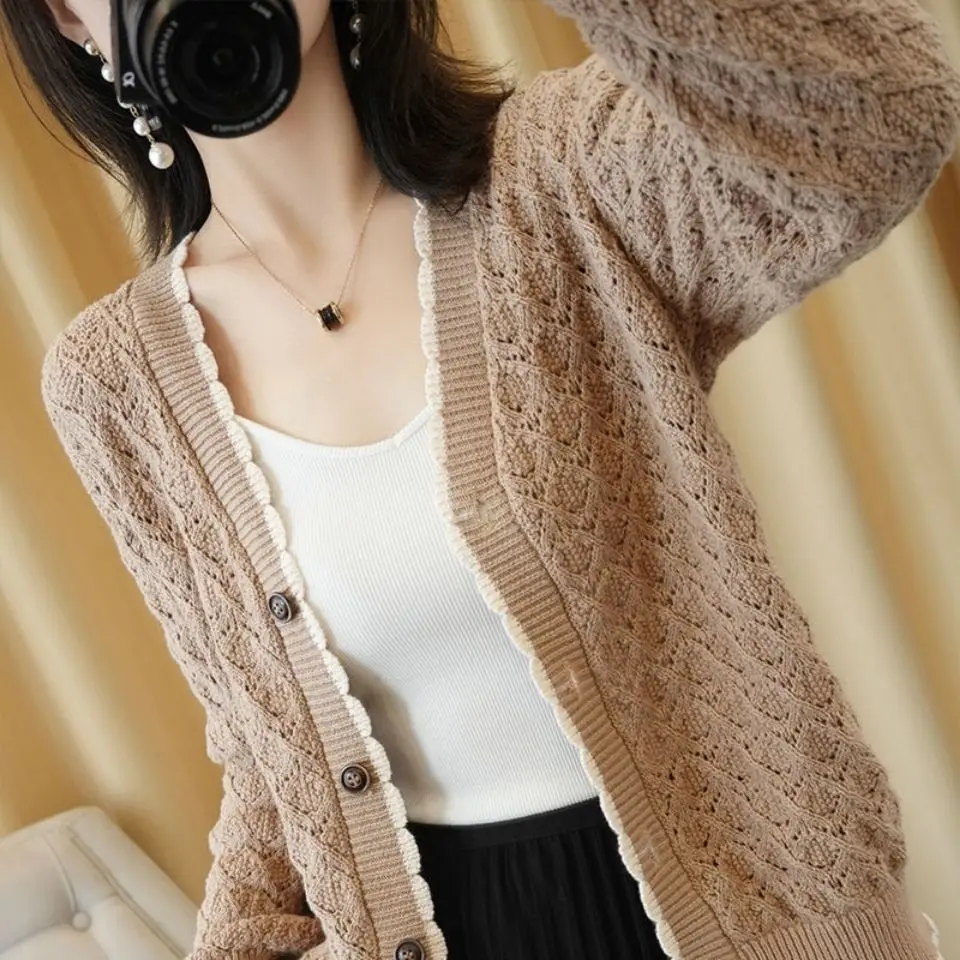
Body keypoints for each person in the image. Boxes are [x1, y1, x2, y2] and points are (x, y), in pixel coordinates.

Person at [4, 0, 959, 956]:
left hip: (763, 913)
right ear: (69, 19)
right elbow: (268, 755)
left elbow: (883, 116)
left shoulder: (563, 178)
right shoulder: (113, 382)